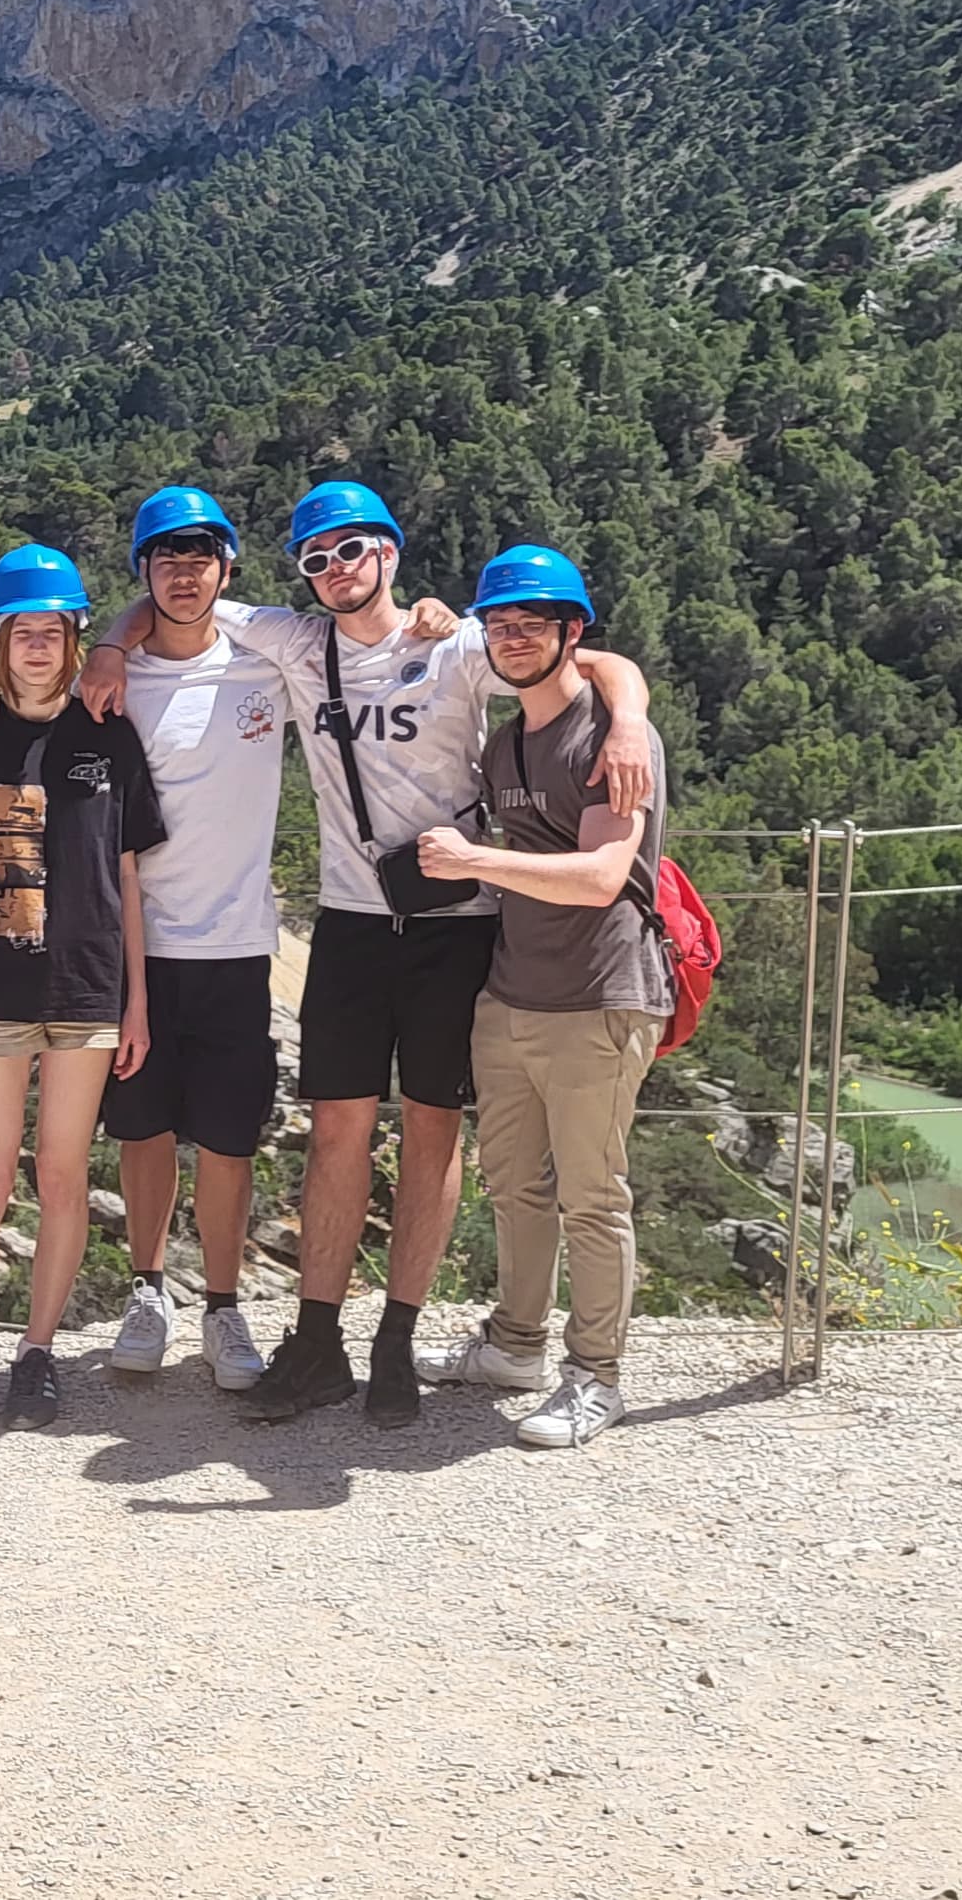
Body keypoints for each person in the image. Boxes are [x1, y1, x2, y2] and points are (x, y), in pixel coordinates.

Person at [207, 484, 650, 1432]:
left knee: (432, 1130)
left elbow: (590, 657)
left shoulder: (459, 644)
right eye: (315, 557)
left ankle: (396, 1339)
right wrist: (110, 648)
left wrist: (626, 722)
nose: (333, 569)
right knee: (337, 1128)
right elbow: (183, 594)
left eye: (350, 549)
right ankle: (318, 1342)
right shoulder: (295, 641)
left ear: (390, 552)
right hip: (353, 921)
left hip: (459, 922)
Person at [411, 546, 673, 1451]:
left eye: (534, 623)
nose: (515, 638)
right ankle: (515, 1346)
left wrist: (472, 860)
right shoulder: (505, 741)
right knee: (515, 1184)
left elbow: (602, 876)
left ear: (572, 631)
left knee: (592, 1196)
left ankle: (597, 1375)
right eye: (501, 625)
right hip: (514, 991)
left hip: (600, 994)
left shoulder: (613, 739)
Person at [0, 548, 160, 1434]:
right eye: (24, 632)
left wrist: (136, 1002)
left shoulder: (111, 737)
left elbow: (127, 878)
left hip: (88, 991)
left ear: (74, 637)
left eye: (53, 631)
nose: (39, 646)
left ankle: (38, 1354)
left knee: (61, 1176)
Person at [61, 490, 292, 1392]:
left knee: (229, 1141)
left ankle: (223, 1308)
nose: (183, 574)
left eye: (199, 558)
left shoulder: (268, 666)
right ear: (144, 571)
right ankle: (148, 1292)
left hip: (236, 945)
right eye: (165, 559)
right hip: (138, 949)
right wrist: (111, 646)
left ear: (227, 567)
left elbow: (361, 640)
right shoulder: (110, 686)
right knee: (144, 1130)